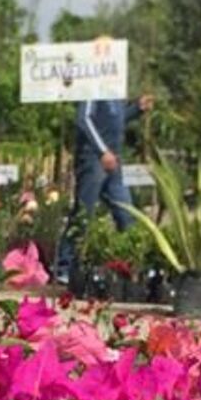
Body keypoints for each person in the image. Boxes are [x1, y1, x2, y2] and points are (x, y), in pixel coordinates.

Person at [55, 89, 155, 284]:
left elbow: (116, 121)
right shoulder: (94, 88)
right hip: (93, 159)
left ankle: (129, 265)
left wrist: (137, 109)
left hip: (114, 160)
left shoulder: (116, 93)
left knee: (126, 213)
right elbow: (84, 119)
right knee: (84, 213)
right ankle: (64, 267)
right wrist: (102, 151)